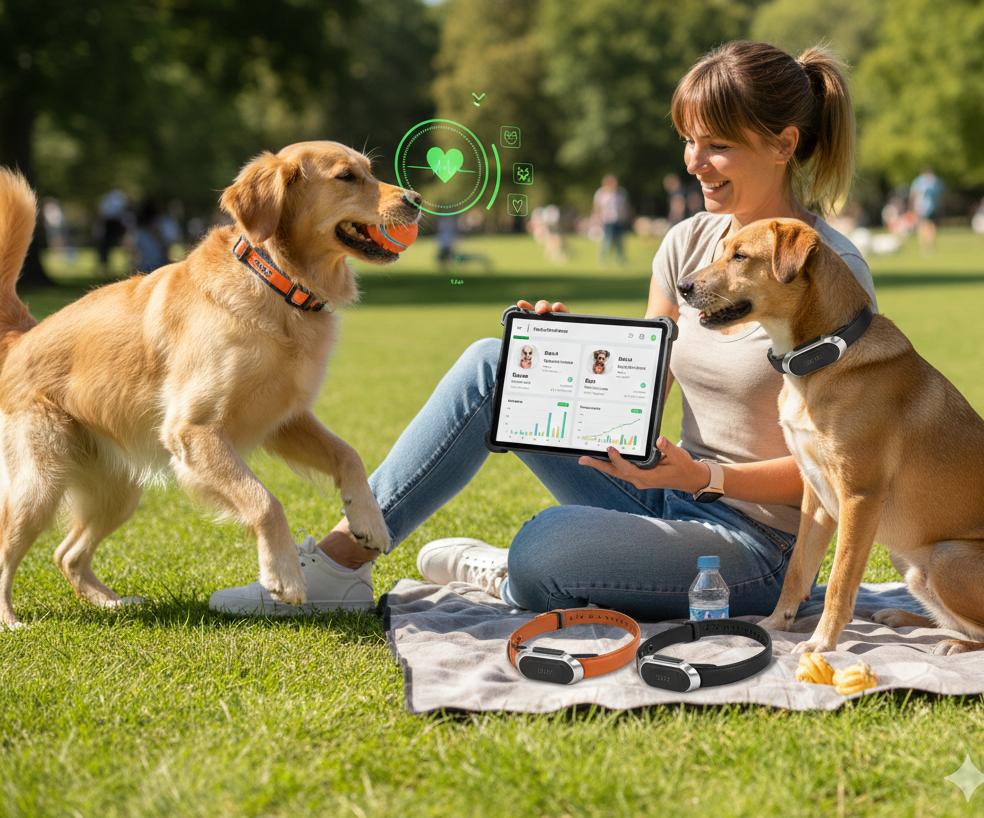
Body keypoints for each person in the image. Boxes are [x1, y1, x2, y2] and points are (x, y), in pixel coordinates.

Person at [209, 41, 877, 620]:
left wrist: (706, 476)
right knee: (492, 364)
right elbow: (642, 383)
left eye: (717, 146)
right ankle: (337, 565)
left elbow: (843, 471)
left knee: (540, 552)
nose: (693, 161)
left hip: (755, 548)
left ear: (784, 143)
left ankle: (513, 572)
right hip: (663, 487)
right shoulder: (687, 243)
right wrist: (562, 354)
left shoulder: (830, 274)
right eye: (688, 139)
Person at [593, 174, 631, 265]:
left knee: (619, 241)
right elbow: (597, 206)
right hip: (607, 220)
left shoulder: (621, 193)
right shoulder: (601, 193)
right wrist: (597, 217)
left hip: (619, 219)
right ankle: (603, 259)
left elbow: (625, 206)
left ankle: (621, 259)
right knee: (607, 240)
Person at [909, 166, 945, 256]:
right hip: (931, 207)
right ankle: (929, 244)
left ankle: (925, 244)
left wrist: (911, 206)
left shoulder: (919, 181)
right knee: (930, 226)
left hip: (921, 207)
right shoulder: (935, 181)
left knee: (923, 226)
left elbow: (914, 194)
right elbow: (940, 195)